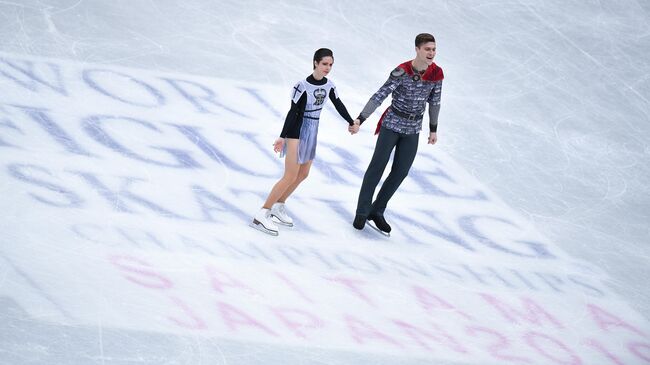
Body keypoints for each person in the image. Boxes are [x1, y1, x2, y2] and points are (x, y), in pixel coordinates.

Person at [251, 48, 355, 236]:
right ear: (315, 62)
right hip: (296, 131)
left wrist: (350, 121)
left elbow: (338, 104)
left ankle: (278, 205)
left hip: (312, 129)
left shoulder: (330, 85)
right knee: (290, 175)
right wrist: (283, 137)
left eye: (331, 65)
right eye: (324, 64)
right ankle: (262, 213)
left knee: (304, 173)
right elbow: (293, 113)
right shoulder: (302, 86)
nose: (328, 68)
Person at [349, 33, 444, 234]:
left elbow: (435, 102)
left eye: (434, 49)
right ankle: (362, 210)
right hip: (392, 125)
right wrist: (361, 118)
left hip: (413, 129)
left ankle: (377, 210)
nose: (431, 53)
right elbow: (380, 95)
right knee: (377, 167)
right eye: (427, 49)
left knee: (401, 171)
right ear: (417, 49)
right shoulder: (402, 71)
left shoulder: (436, 74)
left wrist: (433, 128)